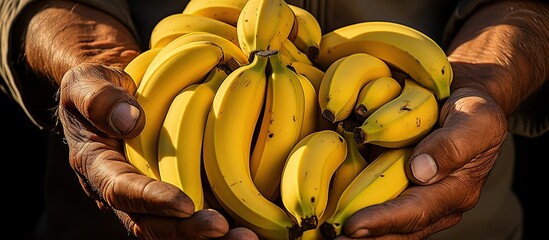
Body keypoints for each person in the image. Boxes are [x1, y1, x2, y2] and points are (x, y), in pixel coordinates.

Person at [1, 0, 547, 239]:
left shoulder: (348, 80)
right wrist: (92, 62)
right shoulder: (213, 83)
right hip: (116, 222)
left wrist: (483, 81)